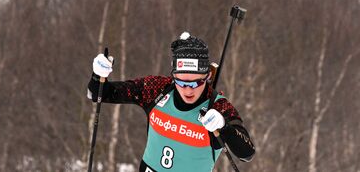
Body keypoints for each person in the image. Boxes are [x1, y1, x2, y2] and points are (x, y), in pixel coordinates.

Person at [87, 31, 255, 172]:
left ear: (208, 76)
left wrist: (224, 127)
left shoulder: (218, 107)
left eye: (197, 82)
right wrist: (98, 76)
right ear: (173, 75)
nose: (188, 90)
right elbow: (98, 94)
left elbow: (247, 153)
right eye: (181, 82)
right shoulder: (157, 89)